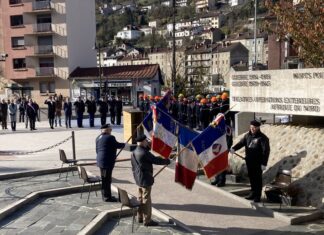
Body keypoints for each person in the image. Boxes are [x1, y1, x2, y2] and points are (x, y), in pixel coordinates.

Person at [131, 134, 170, 226]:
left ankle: (139, 217)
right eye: (146, 141)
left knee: (140, 199)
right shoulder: (144, 153)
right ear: (144, 141)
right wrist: (167, 161)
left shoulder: (135, 151)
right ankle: (147, 220)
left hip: (138, 179)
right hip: (145, 179)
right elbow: (156, 160)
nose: (147, 142)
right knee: (146, 200)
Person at [230, 120, 270, 202]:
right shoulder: (247, 135)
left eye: (254, 127)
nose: (253, 129)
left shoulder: (263, 138)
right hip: (249, 161)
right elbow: (241, 143)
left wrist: (264, 163)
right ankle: (252, 193)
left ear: (258, 128)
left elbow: (266, 151)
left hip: (258, 163)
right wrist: (234, 148)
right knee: (251, 178)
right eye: (251, 127)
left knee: (257, 179)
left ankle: (257, 195)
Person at [96, 124, 125, 202]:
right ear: (107, 130)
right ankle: (107, 197)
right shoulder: (110, 137)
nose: (111, 131)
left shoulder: (98, 137)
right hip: (106, 162)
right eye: (110, 129)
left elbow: (97, 150)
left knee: (104, 179)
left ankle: (105, 195)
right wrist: (124, 144)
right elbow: (117, 145)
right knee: (107, 179)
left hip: (101, 161)